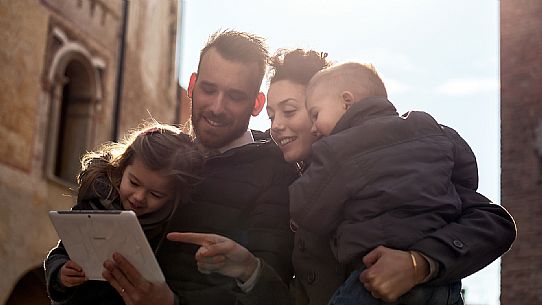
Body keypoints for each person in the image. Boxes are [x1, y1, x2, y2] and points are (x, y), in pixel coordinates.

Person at [170, 49, 516, 305]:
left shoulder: (386, 153)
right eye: (272, 114)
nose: (277, 126)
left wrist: (418, 263)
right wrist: (250, 269)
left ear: (331, 107)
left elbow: (492, 220)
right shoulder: (273, 171)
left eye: (291, 111)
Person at [102, 30, 298, 305]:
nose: (217, 107)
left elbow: (271, 294)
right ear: (192, 85)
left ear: (256, 104)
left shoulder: (277, 174)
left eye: (234, 96)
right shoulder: (164, 153)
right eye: (209, 89)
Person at [290, 61, 472, 305]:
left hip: (375, 279)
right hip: (443, 286)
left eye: (315, 114)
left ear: (347, 101)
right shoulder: (430, 128)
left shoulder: (339, 148)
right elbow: (467, 175)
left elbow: (307, 209)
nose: (313, 128)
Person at [44, 122, 203, 305]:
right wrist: (61, 273)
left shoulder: (170, 232)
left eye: (156, 194)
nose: (139, 197)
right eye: (134, 183)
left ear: (173, 197)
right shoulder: (93, 206)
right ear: (122, 166)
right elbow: (60, 253)